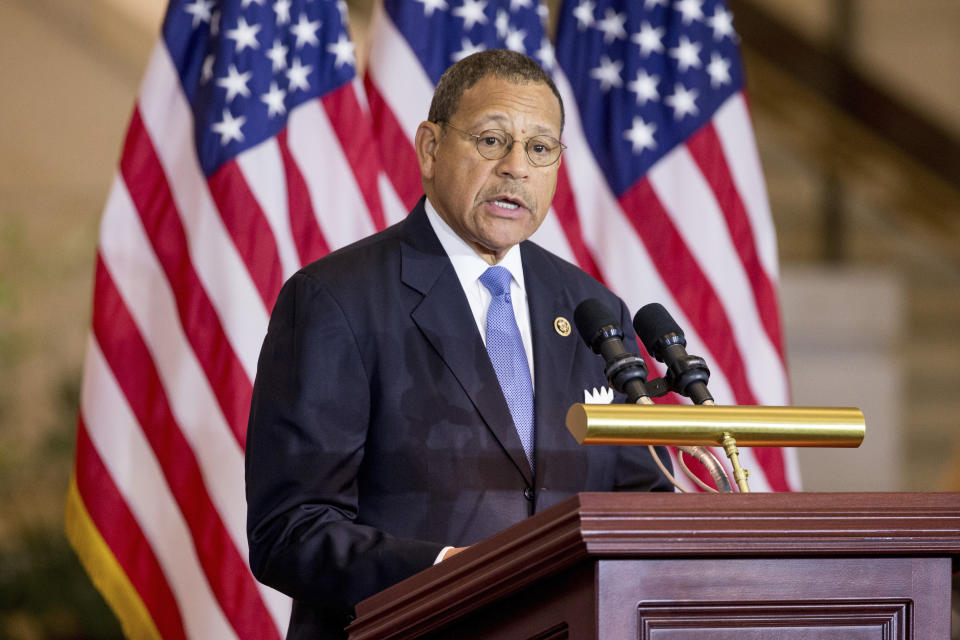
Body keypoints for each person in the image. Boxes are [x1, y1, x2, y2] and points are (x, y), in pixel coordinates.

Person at [245, 50, 673, 640]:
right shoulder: (334, 300)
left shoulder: (591, 309)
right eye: (493, 141)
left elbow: (646, 496)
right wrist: (449, 573)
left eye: (541, 148)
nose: (517, 168)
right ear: (430, 148)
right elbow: (290, 531)